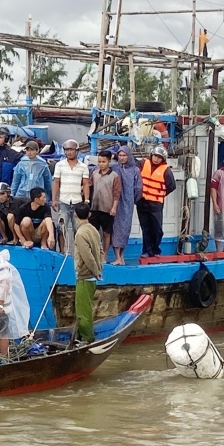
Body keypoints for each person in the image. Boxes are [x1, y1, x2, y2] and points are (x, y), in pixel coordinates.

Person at [137, 145, 177, 258]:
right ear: (151, 155)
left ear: (163, 159)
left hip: (156, 204)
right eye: (155, 156)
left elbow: (171, 186)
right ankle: (146, 251)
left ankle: (155, 250)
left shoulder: (166, 170)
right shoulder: (143, 163)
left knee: (157, 229)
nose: (156, 159)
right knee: (145, 228)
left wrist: (159, 193)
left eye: (159, 157)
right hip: (142, 202)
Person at [72, 202, 103, 343]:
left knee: (83, 311)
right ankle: (80, 335)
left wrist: (96, 271)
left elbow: (87, 256)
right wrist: (99, 269)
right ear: (89, 214)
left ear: (75, 215)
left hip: (85, 276)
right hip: (91, 276)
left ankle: (87, 338)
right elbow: (100, 251)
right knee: (85, 307)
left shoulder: (80, 233)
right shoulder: (93, 229)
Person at [52, 139, 90, 253]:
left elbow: (86, 183)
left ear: (76, 151)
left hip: (77, 201)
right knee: (61, 228)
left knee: (77, 229)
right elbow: (56, 182)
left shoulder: (83, 166)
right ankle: (62, 252)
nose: (69, 152)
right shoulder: (59, 165)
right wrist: (54, 199)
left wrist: (87, 200)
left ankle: (77, 252)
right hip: (63, 201)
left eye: (71, 150)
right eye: (67, 150)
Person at [109, 146, 142, 265]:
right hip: (115, 203)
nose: (122, 158)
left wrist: (133, 200)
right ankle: (117, 257)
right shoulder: (114, 168)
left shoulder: (135, 170)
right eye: (120, 155)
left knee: (125, 229)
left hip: (128, 204)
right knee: (115, 229)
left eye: (124, 155)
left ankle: (121, 256)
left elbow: (138, 188)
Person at [90, 150, 121, 262]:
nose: (101, 164)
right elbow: (89, 187)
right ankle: (94, 255)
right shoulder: (94, 173)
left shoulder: (114, 176)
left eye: (103, 161)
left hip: (108, 209)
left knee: (106, 234)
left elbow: (116, 193)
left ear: (109, 161)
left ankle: (104, 255)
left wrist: (114, 207)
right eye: (99, 161)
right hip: (95, 208)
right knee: (94, 234)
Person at [11, 140, 53, 204]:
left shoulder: (43, 165)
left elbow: (48, 182)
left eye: (32, 150)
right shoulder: (21, 164)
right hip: (22, 193)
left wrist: (50, 197)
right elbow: (16, 181)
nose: (29, 152)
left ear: (37, 151)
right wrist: (12, 194)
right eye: (28, 150)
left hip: (37, 195)